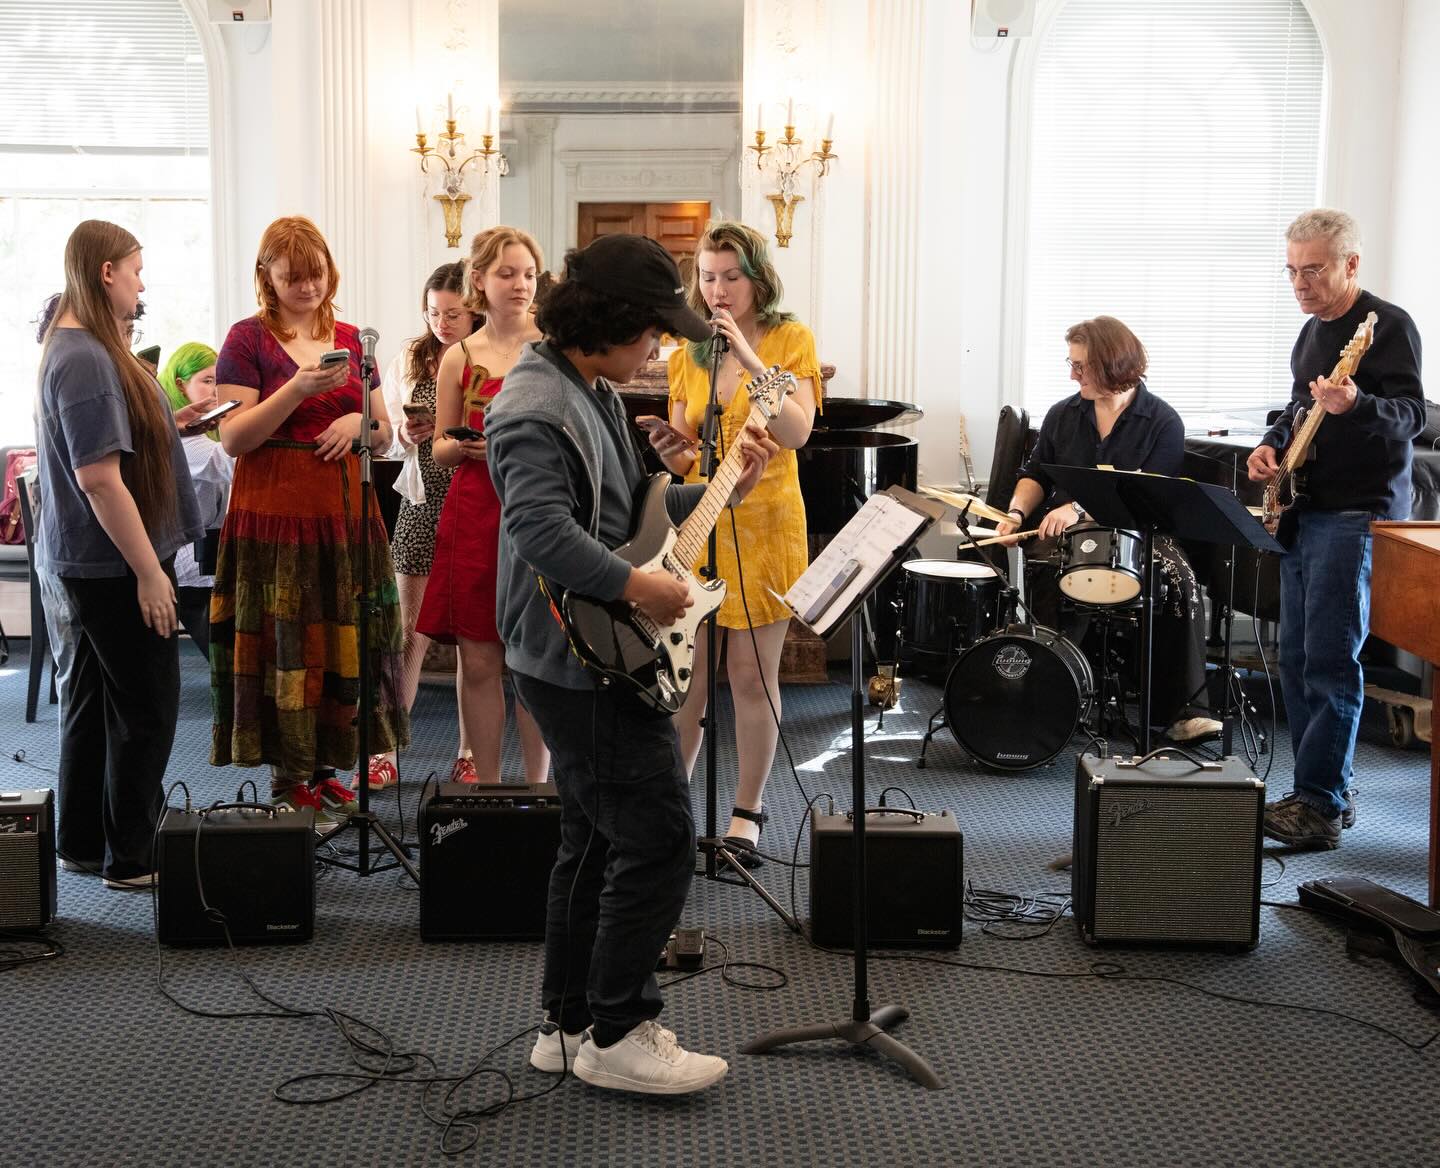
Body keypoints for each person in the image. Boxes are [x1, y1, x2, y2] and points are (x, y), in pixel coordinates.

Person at [485, 233, 776, 1094]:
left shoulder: (592, 387)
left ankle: (569, 1022)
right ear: (608, 321)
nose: (659, 345)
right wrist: (637, 589)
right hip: (583, 653)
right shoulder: (534, 404)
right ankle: (619, 1029)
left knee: (589, 839)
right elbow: (540, 530)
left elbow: (636, 508)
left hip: (587, 649)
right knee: (657, 839)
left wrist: (728, 484)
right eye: (651, 328)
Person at [210, 215, 409, 831]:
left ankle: (326, 774)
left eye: (315, 274)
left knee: (342, 635)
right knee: (285, 639)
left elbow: (383, 430)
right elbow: (234, 437)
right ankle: (287, 779)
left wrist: (359, 426)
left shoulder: (353, 339)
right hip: (274, 518)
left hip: (346, 516)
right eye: (292, 276)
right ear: (267, 276)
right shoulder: (247, 339)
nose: (306, 287)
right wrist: (297, 389)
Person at [1246, 208, 1424, 849]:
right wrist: (1271, 445)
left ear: (1351, 264)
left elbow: (1414, 417)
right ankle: (1322, 792)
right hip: (1306, 509)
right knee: (1296, 658)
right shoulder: (1312, 332)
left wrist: (1357, 405)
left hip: (1357, 514)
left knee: (1328, 659)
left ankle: (1319, 804)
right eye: (1291, 271)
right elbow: (1298, 407)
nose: (1300, 283)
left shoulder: (1387, 326)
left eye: (1313, 270)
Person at [34, 219, 202, 889]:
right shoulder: (86, 357)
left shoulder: (78, 347)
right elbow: (100, 480)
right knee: (149, 708)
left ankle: (80, 843)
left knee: (95, 703)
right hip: (111, 564)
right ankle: (132, 857)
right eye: (135, 270)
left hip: (90, 560)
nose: (141, 283)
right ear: (106, 273)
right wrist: (148, 574)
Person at [651, 221, 820, 864]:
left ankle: (746, 813)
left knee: (749, 673)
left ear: (758, 279)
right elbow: (684, 446)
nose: (718, 290)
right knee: (686, 675)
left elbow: (798, 431)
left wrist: (751, 362)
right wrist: (671, 449)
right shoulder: (685, 353)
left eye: (731, 276)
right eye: (708, 276)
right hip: (700, 521)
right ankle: (674, 803)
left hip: (766, 519)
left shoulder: (789, 338)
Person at [994, 315, 1220, 742]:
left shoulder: (1163, 421)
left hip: (1140, 533)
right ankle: (1050, 698)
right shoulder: (1063, 414)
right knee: (1046, 571)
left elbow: (1145, 490)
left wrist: (1078, 508)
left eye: (1082, 366)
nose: (1073, 374)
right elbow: (1035, 474)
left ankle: (1187, 711)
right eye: (1072, 363)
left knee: (1180, 579)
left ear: (1114, 366)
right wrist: (1016, 514)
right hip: (1069, 535)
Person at [417, 227, 549, 784]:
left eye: (527, 275)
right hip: (475, 509)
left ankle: (540, 790)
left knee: (538, 661)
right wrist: (467, 446)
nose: (519, 285)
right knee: (480, 661)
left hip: (540, 508)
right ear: (479, 281)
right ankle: (489, 790)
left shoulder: (551, 347)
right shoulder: (458, 356)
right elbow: (440, 448)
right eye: (506, 274)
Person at [359, 261, 478, 790]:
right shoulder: (413, 355)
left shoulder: (491, 355)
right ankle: (386, 746)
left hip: (475, 495)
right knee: (409, 630)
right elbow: (391, 436)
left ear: (473, 309)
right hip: (423, 498)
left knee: (476, 638)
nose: (441, 323)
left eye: (452, 313)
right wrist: (408, 432)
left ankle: (470, 750)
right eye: (432, 313)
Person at [157, 341, 235, 659]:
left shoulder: (204, 433)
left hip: (207, 543)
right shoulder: (183, 439)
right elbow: (229, 465)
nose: (215, 390)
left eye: (218, 380)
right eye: (206, 381)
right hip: (184, 554)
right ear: (179, 385)